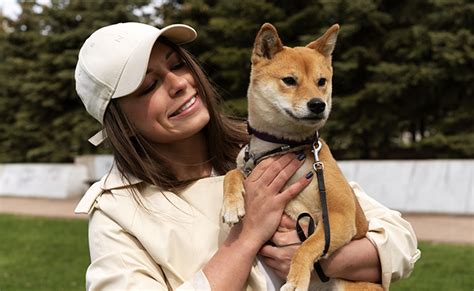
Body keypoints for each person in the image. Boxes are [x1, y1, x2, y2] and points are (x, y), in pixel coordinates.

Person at [74, 22, 420, 290]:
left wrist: (317, 261)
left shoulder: (277, 143)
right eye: (148, 86)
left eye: (178, 64)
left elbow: (399, 242)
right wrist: (246, 239)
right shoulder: (116, 212)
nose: (178, 83)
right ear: (121, 123)